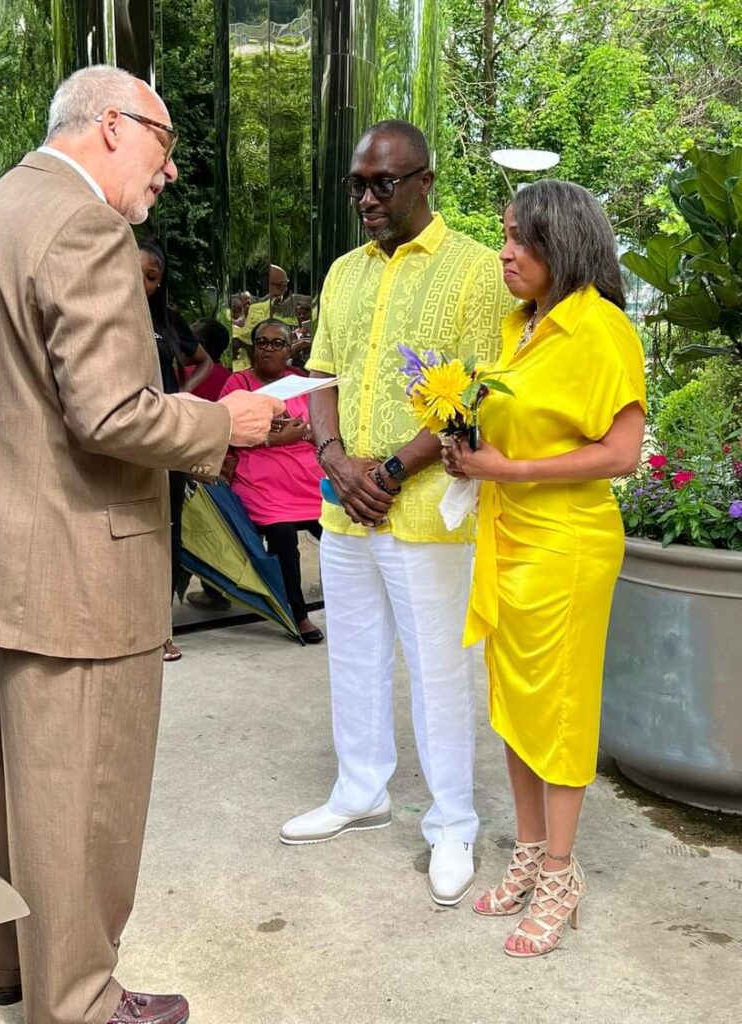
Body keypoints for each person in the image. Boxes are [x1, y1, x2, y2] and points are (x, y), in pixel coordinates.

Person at [0, 64, 282, 1024]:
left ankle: (19, 972)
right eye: (165, 142)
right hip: (75, 568)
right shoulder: (85, 226)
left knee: (13, 796)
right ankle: (81, 1002)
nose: (171, 171)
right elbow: (110, 411)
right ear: (112, 125)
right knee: (82, 805)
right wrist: (221, 428)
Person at [280, 120, 513, 907]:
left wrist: (387, 470)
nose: (368, 199)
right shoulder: (345, 271)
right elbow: (321, 373)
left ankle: (453, 824)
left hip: (423, 513)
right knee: (353, 653)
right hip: (345, 507)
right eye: (358, 185)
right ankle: (360, 790)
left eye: (384, 184)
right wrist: (334, 459)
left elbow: (477, 385)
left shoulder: (478, 271)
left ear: (425, 180)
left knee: (441, 671)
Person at [442, 180, 646, 958]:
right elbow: (511, 431)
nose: (504, 252)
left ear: (562, 244)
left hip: (566, 545)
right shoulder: (519, 326)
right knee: (516, 705)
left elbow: (620, 454)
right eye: (502, 235)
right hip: (509, 538)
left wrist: (507, 471)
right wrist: (465, 443)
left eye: (519, 239)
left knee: (557, 711)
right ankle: (530, 851)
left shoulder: (601, 330)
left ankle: (560, 873)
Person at [218, 319, 325, 643]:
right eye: (262, 342)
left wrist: (303, 432)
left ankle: (349, 603)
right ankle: (297, 612)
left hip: (307, 478)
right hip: (260, 479)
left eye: (277, 343)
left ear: (290, 349)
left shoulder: (301, 383)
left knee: (339, 529)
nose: (268, 348)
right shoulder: (238, 384)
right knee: (282, 535)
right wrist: (271, 439)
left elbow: (319, 425)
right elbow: (223, 430)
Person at [138, 238, 215, 661]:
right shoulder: (102, 315)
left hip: (168, 438)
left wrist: (181, 393)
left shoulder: (167, 321)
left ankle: (162, 628)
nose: (141, 283)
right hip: (127, 439)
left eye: (151, 277)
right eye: (135, 272)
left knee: (166, 529)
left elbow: (205, 361)